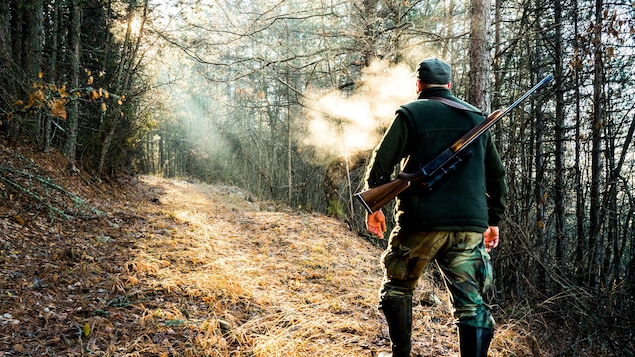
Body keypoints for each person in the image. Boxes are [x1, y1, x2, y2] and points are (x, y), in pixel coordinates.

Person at [362, 58, 508, 357]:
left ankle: (399, 354)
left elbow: (382, 163)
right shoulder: (478, 118)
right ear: (450, 85)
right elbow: (496, 175)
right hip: (469, 227)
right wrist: (493, 220)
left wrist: (374, 207)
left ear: (418, 85)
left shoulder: (411, 112)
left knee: (398, 288)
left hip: (420, 223)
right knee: (471, 305)